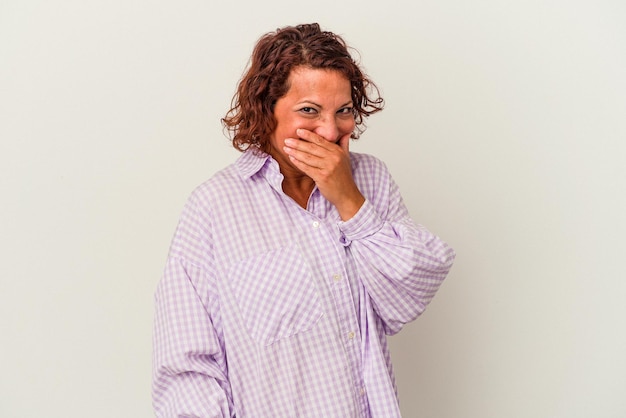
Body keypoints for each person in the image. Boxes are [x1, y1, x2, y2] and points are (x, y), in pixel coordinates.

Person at [152, 23, 455, 418]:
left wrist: (349, 199)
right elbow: (186, 368)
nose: (330, 131)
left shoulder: (370, 179)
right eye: (309, 111)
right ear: (266, 110)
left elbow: (406, 296)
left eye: (343, 111)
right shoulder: (213, 207)